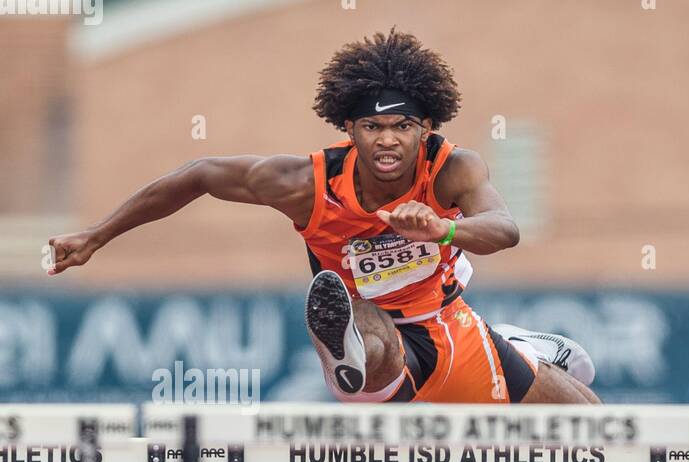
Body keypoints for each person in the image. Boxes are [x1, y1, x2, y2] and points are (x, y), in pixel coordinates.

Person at [46, 29, 597, 406]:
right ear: (349, 129)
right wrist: (97, 235)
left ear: (425, 128)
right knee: (368, 333)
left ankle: (522, 349)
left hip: (450, 325)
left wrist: (442, 228)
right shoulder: (309, 185)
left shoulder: (451, 169)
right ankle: (342, 351)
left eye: (402, 127)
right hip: (371, 324)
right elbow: (200, 174)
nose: (387, 140)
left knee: (596, 433)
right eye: (372, 127)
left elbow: (505, 230)